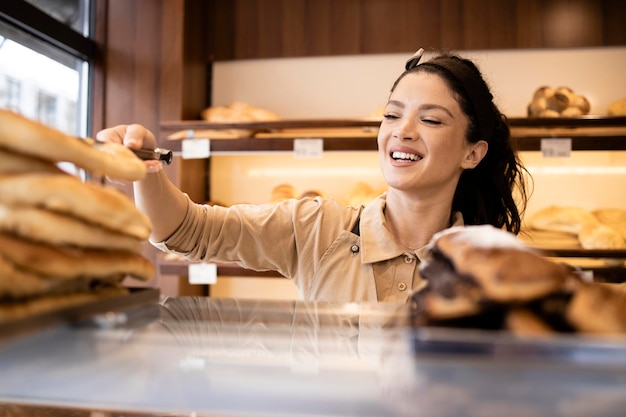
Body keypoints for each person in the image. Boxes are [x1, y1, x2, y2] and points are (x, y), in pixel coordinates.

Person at [97, 49, 529, 303]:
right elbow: (187, 231)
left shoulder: (492, 267)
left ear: (473, 153)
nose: (402, 130)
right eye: (392, 115)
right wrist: (147, 172)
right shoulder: (318, 229)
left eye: (431, 120)